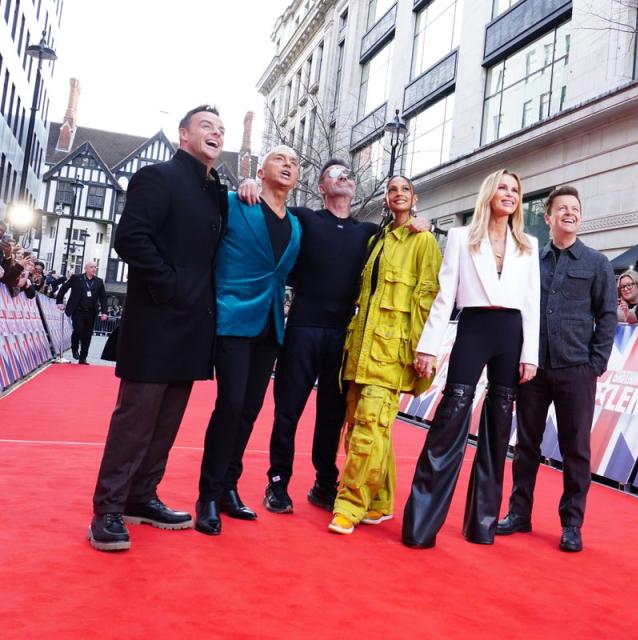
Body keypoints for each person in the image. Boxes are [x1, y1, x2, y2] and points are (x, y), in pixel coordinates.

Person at [236, 161, 430, 514]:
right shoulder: (306, 219)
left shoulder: (370, 232)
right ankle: (277, 482)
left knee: (332, 414)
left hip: (344, 334)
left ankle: (325, 481)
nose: (345, 177)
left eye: (349, 175)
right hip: (303, 328)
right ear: (322, 187)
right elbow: (271, 204)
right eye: (336, 174)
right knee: (288, 410)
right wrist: (250, 181)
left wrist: (422, 221)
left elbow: (401, 236)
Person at [87, 105, 227, 552]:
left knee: (167, 422)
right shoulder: (157, 176)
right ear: (183, 135)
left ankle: (141, 497)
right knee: (136, 419)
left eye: (221, 130)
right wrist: (169, 285)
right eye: (207, 126)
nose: (216, 133)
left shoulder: (216, 192)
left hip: (193, 326)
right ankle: (107, 509)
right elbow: (130, 238)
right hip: (156, 320)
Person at [402, 169, 540, 549]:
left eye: (515, 189)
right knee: (449, 423)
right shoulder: (462, 237)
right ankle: (421, 526)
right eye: (503, 187)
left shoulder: (528, 243)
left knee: (497, 432)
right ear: (489, 193)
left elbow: (531, 304)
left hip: (511, 334)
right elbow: (445, 294)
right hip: (474, 327)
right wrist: (427, 346)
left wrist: (530, 355)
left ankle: (482, 525)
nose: (509, 194)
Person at [496, 185, 617, 552]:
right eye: (561, 208)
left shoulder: (597, 263)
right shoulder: (530, 259)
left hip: (576, 369)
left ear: (580, 217)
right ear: (547, 217)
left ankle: (572, 523)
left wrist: (595, 363)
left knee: (575, 449)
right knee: (526, 444)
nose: (569, 213)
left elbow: (607, 315)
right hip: (533, 368)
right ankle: (519, 513)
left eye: (575, 208)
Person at [194, 146, 303, 536]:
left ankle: (228, 487)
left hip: (271, 326)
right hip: (233, 317)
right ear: (260, 169)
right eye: (280, 159)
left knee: (250, 410)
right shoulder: (235, 202)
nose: (289, 165)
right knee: (231, 404)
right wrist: (242, 184)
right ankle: (207, 494)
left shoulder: (295, 224)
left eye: (294, 163)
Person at [328, 176, 442, 535]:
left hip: (392, 354)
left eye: (404, 190)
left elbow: (430, 300)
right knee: (365, 429)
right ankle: (380, 501)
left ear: (415, 199)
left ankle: (349, 505)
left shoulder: (423, 241)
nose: (398, 194)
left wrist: (424, 351)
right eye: (392, 190)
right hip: (361, 349)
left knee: (368, 429)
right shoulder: (376, 240)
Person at [56, 262, 108, 363]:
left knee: (87, 335)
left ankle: (83, 358)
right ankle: (74, 348)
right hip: (78, 311)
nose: (94, 269)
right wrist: (59, 301)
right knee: (78, 330)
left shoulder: (99, 281)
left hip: (91, 312)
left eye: (95, 267)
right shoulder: (76, 278)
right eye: (91, 267)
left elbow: (103, 298)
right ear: (85, 268)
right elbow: (64, 288)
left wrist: (104, 312)